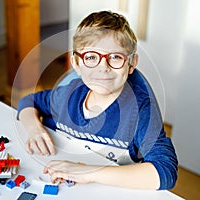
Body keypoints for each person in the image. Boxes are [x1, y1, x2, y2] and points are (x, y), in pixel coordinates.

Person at [17, 10, 178, 190]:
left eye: (115, 57)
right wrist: (34, 129)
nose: (103, 68)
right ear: (76, 64)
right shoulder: (68, 94)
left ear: (131, 64)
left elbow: (166, 172)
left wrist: (87, 172)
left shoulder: (140, 110)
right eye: (92, 57)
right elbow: (29, 101)